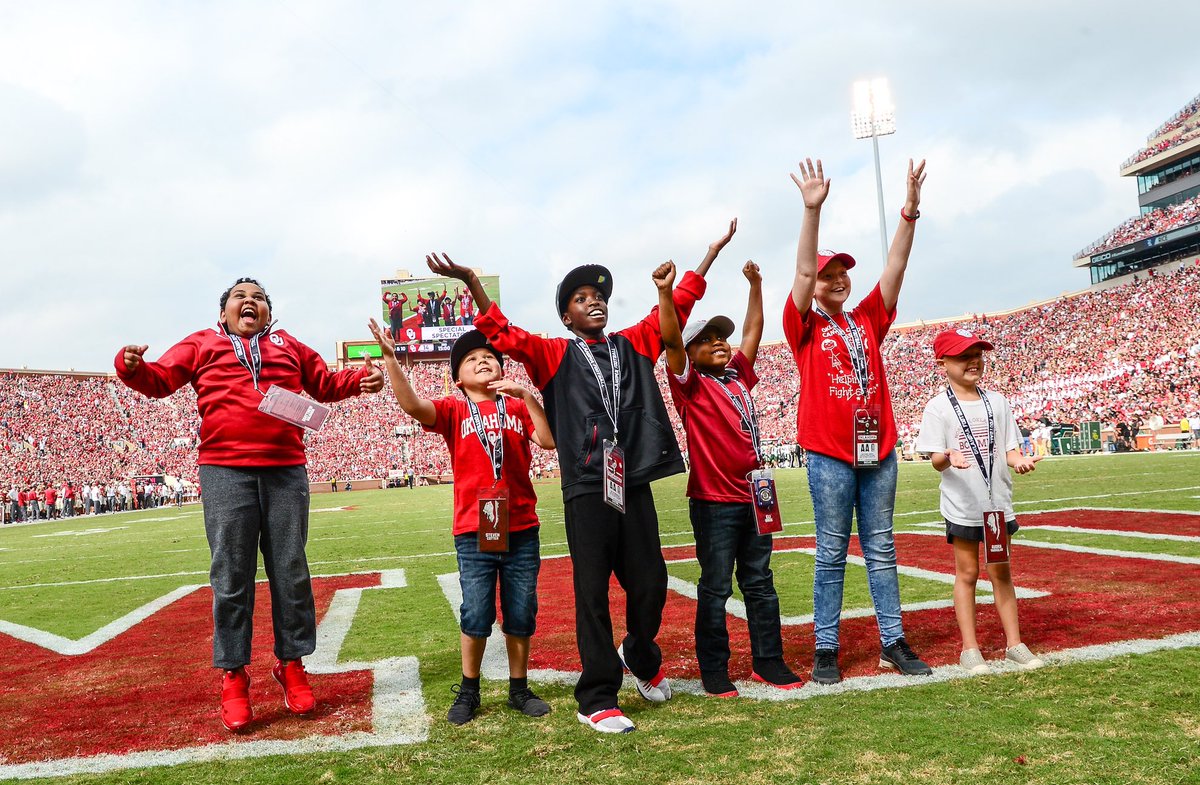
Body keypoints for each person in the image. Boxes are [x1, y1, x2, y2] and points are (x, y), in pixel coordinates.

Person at [432, 222, 733, 733]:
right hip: (588, 487)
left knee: (652, 583)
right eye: (580, 297)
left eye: (598, 295)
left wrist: (705, 258)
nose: (593, 302)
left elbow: (675, 311)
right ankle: (596, 697)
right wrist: (469, 281)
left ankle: (638, 652)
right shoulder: (554, 354)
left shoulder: (635, 342)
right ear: (565, 315)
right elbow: (502, 331)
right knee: (591, 591)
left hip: (631, 479)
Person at [115, 277, 384, 732]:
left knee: (291, 570)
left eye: (259, 297)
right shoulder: (202, 343)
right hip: (225, 470)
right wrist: (132, 368)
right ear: (222, 314)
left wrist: (360, 379)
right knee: (231, 574)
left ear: (268, 313)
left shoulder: (289, 345)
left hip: (285, 470)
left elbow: (324, 383)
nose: (250, 301)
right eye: (240, 296)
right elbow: (160, 379)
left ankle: (292, 664)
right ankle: (234, 675)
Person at [783, 157, 932, 684]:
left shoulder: (866, 317)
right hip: (828, 452)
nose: (838, 279)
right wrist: (811, 210)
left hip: (878, 449)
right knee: (829, 552)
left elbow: (895, 270)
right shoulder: (801, 323)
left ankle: (893, 641)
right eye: (829, 274)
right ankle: (827, 647)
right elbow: (802, 272)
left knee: (882, 547)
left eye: (842, 271)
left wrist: (909, 213)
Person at [369, 319, 555, 726]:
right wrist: (391, 359)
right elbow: (413, 406)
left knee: (522, 611)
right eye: (472, 359)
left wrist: (528, 395)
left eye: (489, 356)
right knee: (476, 611)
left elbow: (548, 440)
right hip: (475, 527)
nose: (483, 361)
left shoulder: (518, 406)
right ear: (457, 378)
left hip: (521, 524)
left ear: (502, 369)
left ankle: (518, 688)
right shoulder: (454, 409)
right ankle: (469, 689)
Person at [659, 257, 803, 696]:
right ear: (689, 352)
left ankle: (768, 660)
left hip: (754, 496)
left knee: (760, 581)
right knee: (716, 586)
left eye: (721, 337)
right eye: (706, 340)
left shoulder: (737, 375)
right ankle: (715, 669)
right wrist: (666, 294)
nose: (720, 343)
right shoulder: (690, 384)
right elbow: (669, 339)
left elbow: (753, 332)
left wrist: (756, 287)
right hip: (714, 500)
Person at [914, 328, 1045, 673]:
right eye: (963, 356)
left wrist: (1020, 462)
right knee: (967, 573)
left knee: (1001, 572)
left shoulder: (998, 402)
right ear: (942, 363)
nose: (973, 361)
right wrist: (947, 456)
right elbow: (934, 460)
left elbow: (1010, 449)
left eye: (977, 354)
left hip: (997, 506)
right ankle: (970, 649)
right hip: (963, 505)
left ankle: (1014, 644)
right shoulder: (938, 407)